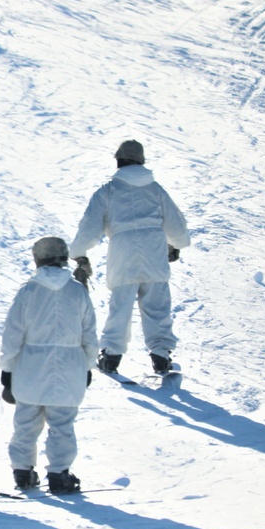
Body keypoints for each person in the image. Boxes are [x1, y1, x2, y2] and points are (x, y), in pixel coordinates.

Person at [69, 139, 191, 375]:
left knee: (121, 305)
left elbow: (90, 225)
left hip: (123, 251)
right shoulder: (155, 190)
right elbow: (176, 222)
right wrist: (177, 244)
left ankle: (111, 356)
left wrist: (78, 252)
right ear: (141, 161)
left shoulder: (108, 191)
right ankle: (161, 354)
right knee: (157, 305)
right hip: (154, 249)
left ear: (119, 161)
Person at [0, 237, 98, 493]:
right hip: (69, 367)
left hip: (29, 368)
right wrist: (88, 366)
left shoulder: (28, 292)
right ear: (64, 258)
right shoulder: (77, 291)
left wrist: (7, 369)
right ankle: (59, 473)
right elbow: (89, 334)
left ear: (37, 259)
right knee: (62, 425)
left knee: (25, 423)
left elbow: (12, 334)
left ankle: (22, 472)